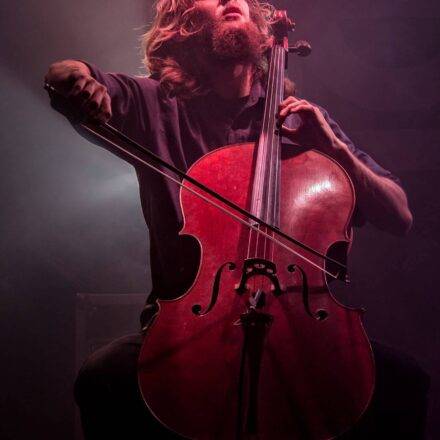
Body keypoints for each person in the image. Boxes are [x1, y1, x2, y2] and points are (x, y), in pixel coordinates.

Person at [45, 0, 430, 438]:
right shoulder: (155, 103)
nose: (233, 0)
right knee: (102, 378)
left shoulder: (300, 121)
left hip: (301, 330)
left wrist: (334, 149)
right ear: (184, 24)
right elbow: (66, 73)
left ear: (265, 31)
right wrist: (75, 79)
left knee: (404, 382)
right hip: (186, 331)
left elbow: (399, 214)